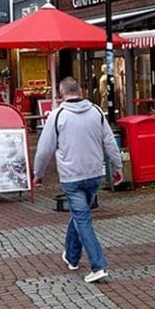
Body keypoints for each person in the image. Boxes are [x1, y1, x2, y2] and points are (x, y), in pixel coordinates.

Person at [33, 76, 122, 284]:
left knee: (82, 219)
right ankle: (72, 257)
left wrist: (38, 174)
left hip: (72, 178)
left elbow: (44, 149)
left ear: (61, 93)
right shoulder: (97, 112)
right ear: (80, 91)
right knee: (80, 215)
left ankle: (98, 265)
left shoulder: (57, 116)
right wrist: (117, 166)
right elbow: (109, 142)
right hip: (93, 175)